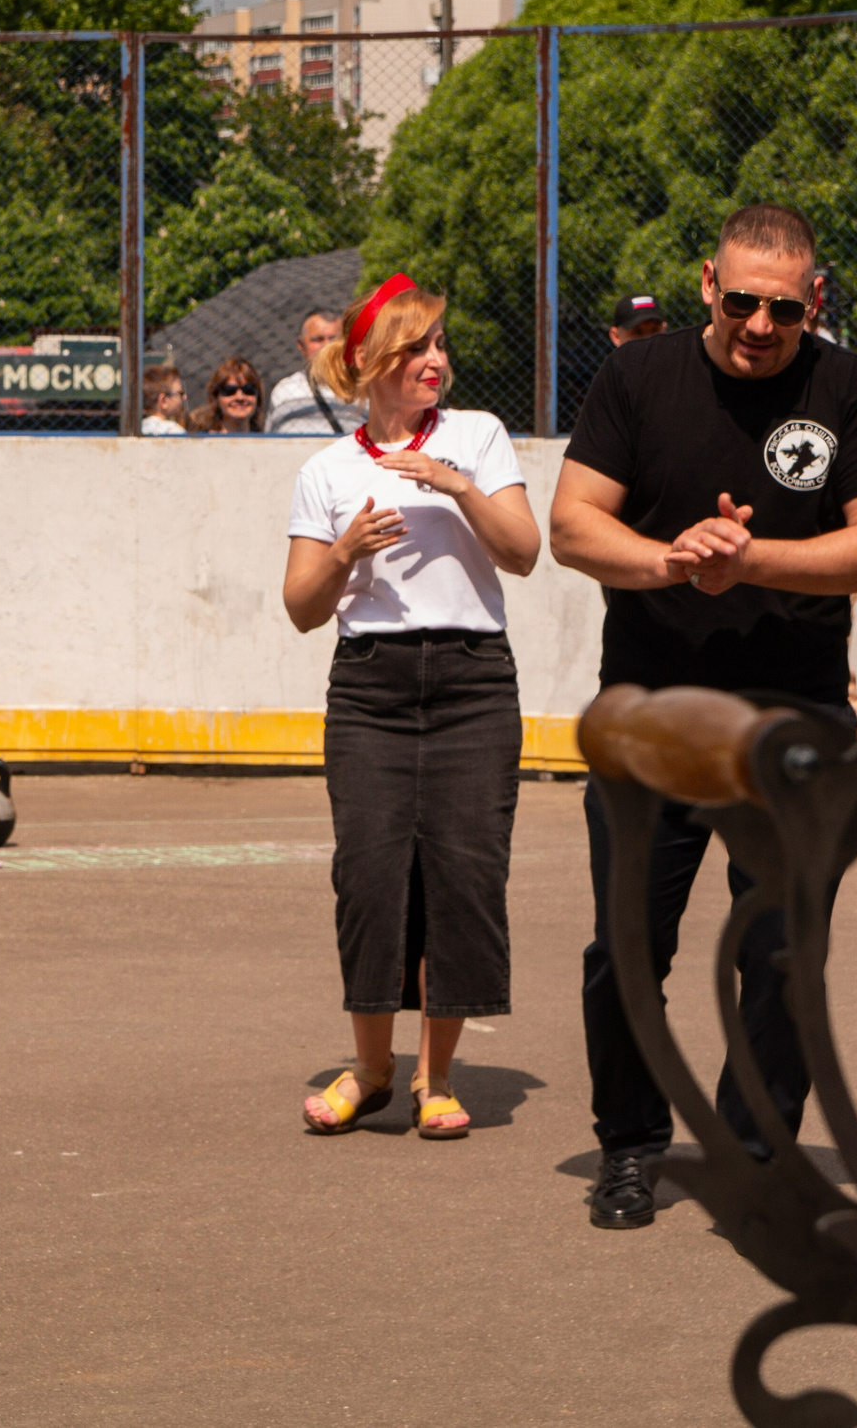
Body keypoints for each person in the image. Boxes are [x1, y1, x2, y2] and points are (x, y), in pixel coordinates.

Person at [550, 204, 857, 1229]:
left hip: (793, 716)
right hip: (650, 711)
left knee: (783, 949)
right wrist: (671, 561)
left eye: (783, 309)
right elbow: (573, 524)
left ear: (815, 300)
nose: (760, 325)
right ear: (708, 282)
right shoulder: (636, 378)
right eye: (743, 301)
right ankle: (629, 1145)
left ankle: (756, 1157)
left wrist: (751, 561)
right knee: (626, 945)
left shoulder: (849, 388)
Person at [284, 274, 542, 1140]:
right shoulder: (326, 470)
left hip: (472, 680)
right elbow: (301, 606)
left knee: (462, 876)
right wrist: (345, 549)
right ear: (371, 361)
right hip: (370, 687)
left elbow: (524, 552)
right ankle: (372, 1067)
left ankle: (437, 1076)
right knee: (369, 875)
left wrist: (454, 484)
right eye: (419, 346)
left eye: (440, 343)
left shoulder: (478, 437)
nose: (438, 359)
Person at [267, 309, 355, 436]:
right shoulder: (284, 391)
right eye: (318, 340)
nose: (327, 346)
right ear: (301, 346)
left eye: (334, 339)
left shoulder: (362, 391)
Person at [188, 356, 267, 434]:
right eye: (229, 390)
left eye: (248, 389)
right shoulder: (199, 442)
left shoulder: (268, 443)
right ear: (216, 398)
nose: (240, 397)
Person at [140, 365, 189, 435]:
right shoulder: (174, 431)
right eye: (180, 393)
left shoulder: (136, 430)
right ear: (163, 401)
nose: (185, 397)